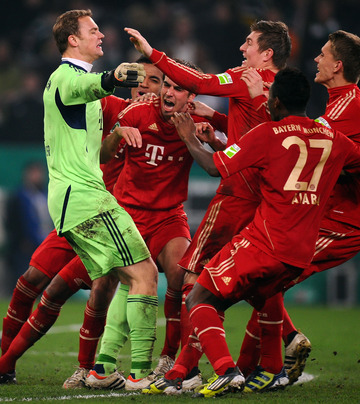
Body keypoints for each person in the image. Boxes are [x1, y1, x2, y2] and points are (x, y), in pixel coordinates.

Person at [144, 67, 360, 398]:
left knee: (200, 296)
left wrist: (188, 135)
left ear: (274, 102)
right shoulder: (333, 139)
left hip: (265, 242)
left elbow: (214, 167)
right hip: (299, 253)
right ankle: (259, 366)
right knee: (261, 297)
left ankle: (225, 371)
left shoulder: (267, 133)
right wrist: (334, 170)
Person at [0, 9, 157, 386]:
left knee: (104, 283)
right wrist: (113, 77)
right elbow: (86, 87)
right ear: (73, 39)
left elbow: (97, 153)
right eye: (93, 29)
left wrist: (117, 134)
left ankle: (63, 369)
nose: (101, 34)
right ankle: (139, 375)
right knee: (144, 274)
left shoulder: (83, 88)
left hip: (77, 200)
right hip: (87, 200)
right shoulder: (67, 77)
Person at [125, 20, 292, 383]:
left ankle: (185, 368)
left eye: (249, 43)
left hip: (237, 193)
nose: (242, 49)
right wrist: (215, 119)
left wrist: (152, 53)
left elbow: (198, 83)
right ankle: (278, 358)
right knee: (261, 283)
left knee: (193, 282)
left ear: (266, 53)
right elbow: (257, 134)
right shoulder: (281, 91)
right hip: (270, 200)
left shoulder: (246, 76)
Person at [235, 30, 360, 389]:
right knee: (266, 280)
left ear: (338, 65)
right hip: (329, 216)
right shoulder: (340, 103)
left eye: (322, 55)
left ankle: (261, 368)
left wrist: (259, 100)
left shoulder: (347, 107)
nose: (315, 59)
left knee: (268, 279)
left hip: (345, 222)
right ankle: (275, 350)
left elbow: (291, 141)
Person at [85, 61, 228, 391]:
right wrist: (118, 134)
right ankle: (98, 366)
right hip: (128, 213)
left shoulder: (198, 120)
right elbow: (105, 156)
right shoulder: (137, 111)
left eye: (178, 89)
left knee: (185, 277)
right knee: (117, 283)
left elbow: (233, 149)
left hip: (168, 215)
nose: (168, 93)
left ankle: (174, 362)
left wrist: (208, 138)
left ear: (190, 99)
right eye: (166, 85)